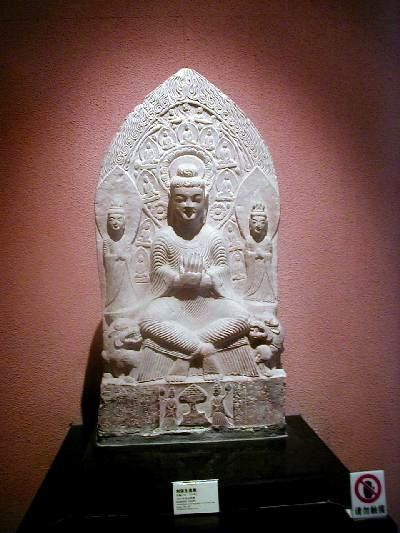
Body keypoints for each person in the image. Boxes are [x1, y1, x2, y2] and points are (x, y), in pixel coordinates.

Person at [137, 159, 252, 382]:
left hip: (207, 304)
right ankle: (203, 349)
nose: (188, 205)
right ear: (171, 202)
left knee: (242, 318)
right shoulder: (164, 238)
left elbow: (222, 271)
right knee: (148, 320)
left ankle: (186, 350)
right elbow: (158, 271)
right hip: (175, 305)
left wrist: (205, 279)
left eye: (196, 199)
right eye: (181, 199)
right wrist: (177, 279)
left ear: (205, 201)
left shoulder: (213, 237)